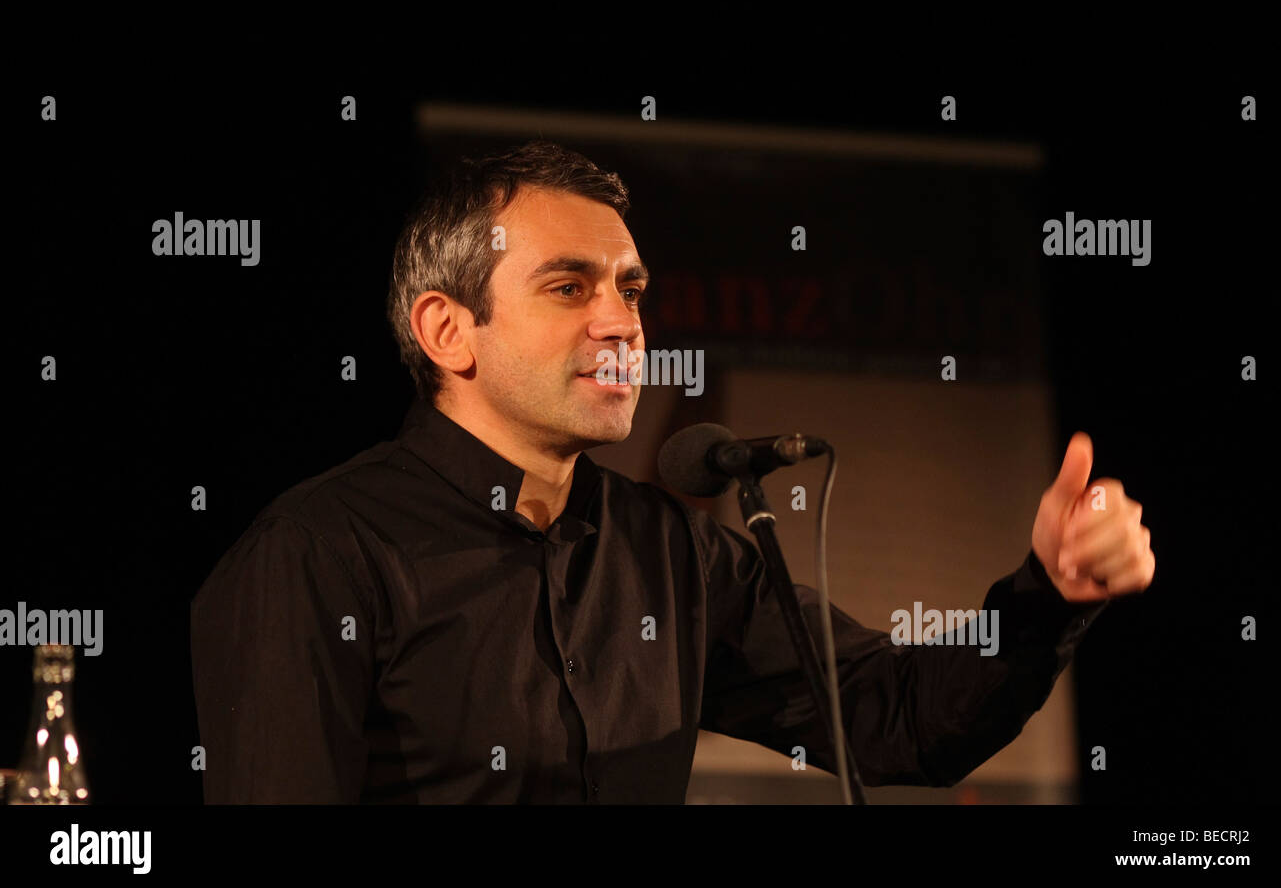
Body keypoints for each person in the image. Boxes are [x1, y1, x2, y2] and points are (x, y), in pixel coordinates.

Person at [190, 140, 1155, 803]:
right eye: (569, 286)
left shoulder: (674, 556)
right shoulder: (315, 556)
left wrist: (1049, 596)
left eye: (631, 289)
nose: (621, 322)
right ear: (449, 330)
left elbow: (895, 720)